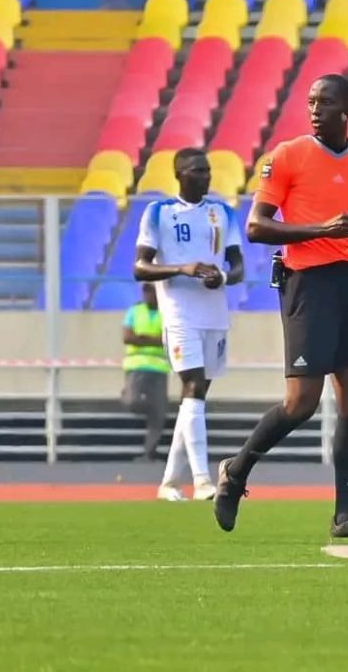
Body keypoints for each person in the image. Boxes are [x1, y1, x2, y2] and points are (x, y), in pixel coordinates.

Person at [213, 74, 348, 538]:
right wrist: (322, 230)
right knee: (301, 403)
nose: (315, 109)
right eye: (311, 101)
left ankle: (346, 515)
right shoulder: (288, 155)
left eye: (325, 102)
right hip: (305, 283)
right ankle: (235, 472)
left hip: (347, 283)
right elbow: (256, 227)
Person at [134, 148, 244, 502]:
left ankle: (168, 483)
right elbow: (141, 267)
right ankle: (202, 480)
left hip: (215, 314)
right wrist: (181, 269)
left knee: (194, 398)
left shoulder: (223, 213)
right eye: (198, 170)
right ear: (179, 174)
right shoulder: (159, 213)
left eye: (208, 170)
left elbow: (238, 266)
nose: (206, 176)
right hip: (180, 314)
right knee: (193, 387)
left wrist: (222, 277)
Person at [120, 283, 170, 462]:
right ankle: (145, 406)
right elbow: (127, 337)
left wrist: (141, 338)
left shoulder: (166, 312)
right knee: (132, 401)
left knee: (159, 414)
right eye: (146, 290)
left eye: (152, 290)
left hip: (159, 368)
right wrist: (154, 340)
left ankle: (149, 452)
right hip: (136, 367)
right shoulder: (134, 311)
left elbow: (168, 339)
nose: (149, 294)